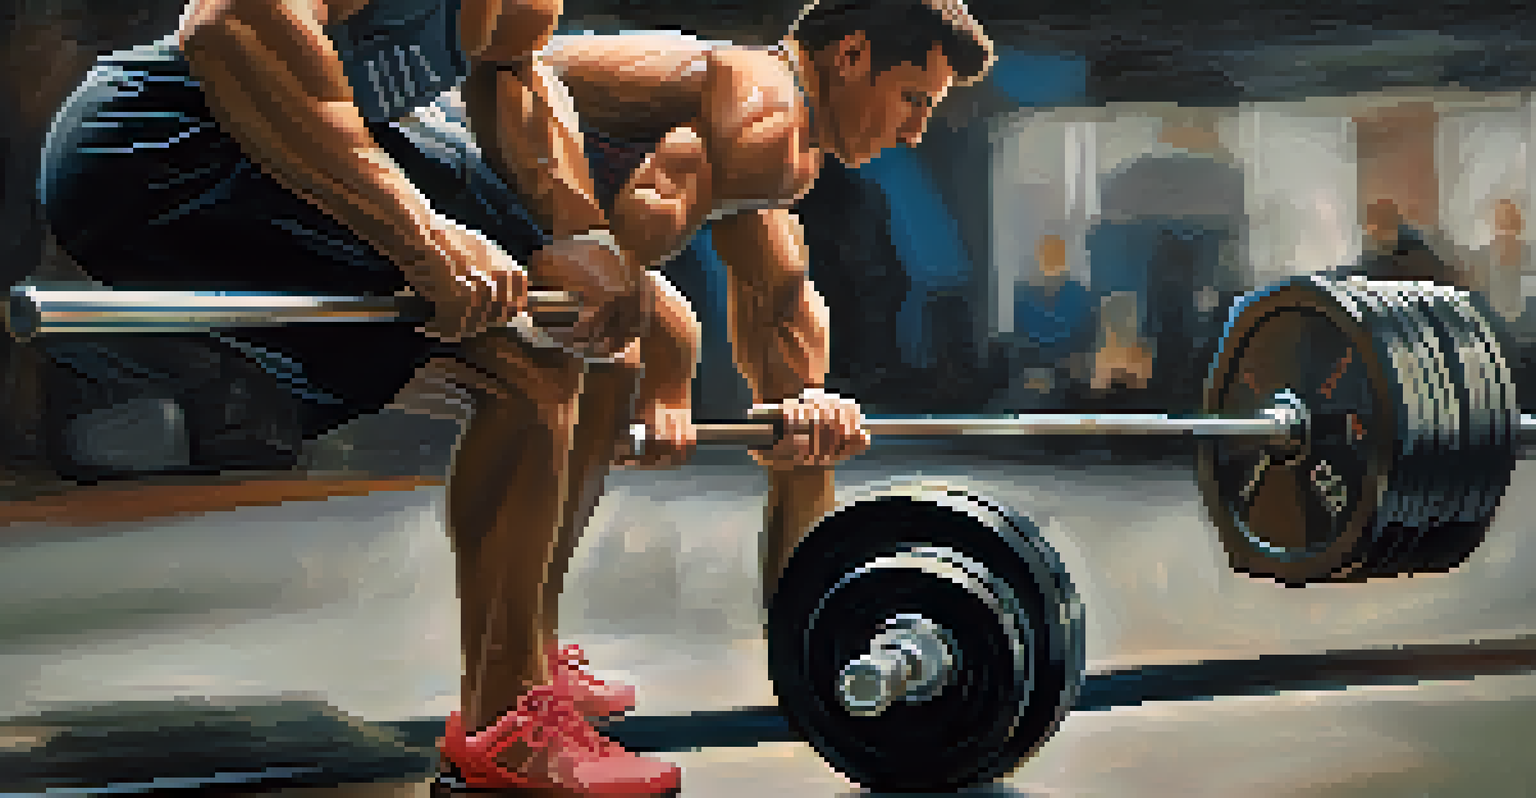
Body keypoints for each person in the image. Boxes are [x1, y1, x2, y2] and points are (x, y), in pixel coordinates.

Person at [36, 0, 995, 794]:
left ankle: (523, 671)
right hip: (157, 147)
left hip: (313, 154)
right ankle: (502, 726)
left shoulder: (761, 150)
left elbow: (766, 324)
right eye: (913, 100)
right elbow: (229, 27)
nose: (915, 128)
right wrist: (432, 241)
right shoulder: (768, 117)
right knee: (552, 359)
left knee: (595, 350)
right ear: (854, 54)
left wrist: (806, 429)